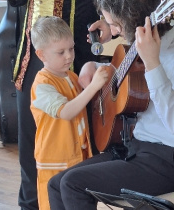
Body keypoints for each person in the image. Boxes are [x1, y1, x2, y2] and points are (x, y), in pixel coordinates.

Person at [47, 0, 174, 209]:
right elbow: (120, 76)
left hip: (172, 160)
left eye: (115, 24)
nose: (112, 31)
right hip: (135, 148)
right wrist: (92, 65)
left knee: (73, 184)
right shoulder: (136, 50)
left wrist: (153, 65)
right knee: (56, 184)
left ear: (133, 18)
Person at [7, 1, 112, 209]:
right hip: (38, 56)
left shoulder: (72, 68)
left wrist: (112, 22)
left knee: (83, 150)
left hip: (81, 52)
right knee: (32, 153)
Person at [29, 16, 108, 209]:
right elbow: (65, 112)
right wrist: (93, 87)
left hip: (78, 158)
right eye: (61, 52)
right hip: (54, 162)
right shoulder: (42, 84)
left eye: (71, 49)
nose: (69, 56)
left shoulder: (71, 77)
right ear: (41, 55)